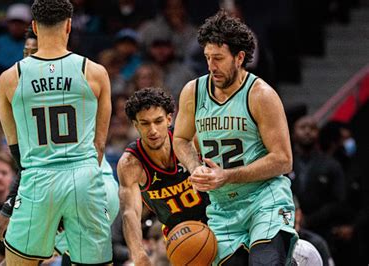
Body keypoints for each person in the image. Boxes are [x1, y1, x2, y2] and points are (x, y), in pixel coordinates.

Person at [0, 0, 112, 265]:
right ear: (69, 26)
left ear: (33, 26)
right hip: (85, 179)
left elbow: (15, 149)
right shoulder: (96, 73)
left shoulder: (10, 78)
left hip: (39, 181)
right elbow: (99, 146)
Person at [172, 10, 298, 265]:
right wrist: (195, 168)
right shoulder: (193, 92)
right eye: (207, 58)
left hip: (265, 200)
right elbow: (180, 139)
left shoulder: (261, 95)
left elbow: (283, 160)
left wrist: (227, 175)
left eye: (218, 58)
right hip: (222, 208)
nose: (211, 66)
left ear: (239, 57)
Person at [118, 88, 209, 265]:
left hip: (215, 220)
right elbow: (130, 213)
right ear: (136, 125)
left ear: (169, 119)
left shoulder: (192, 139)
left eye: (158, 121)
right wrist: (138, 254)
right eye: (144, 123)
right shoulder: (131, 163)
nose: (153, 130)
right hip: (179, 235)